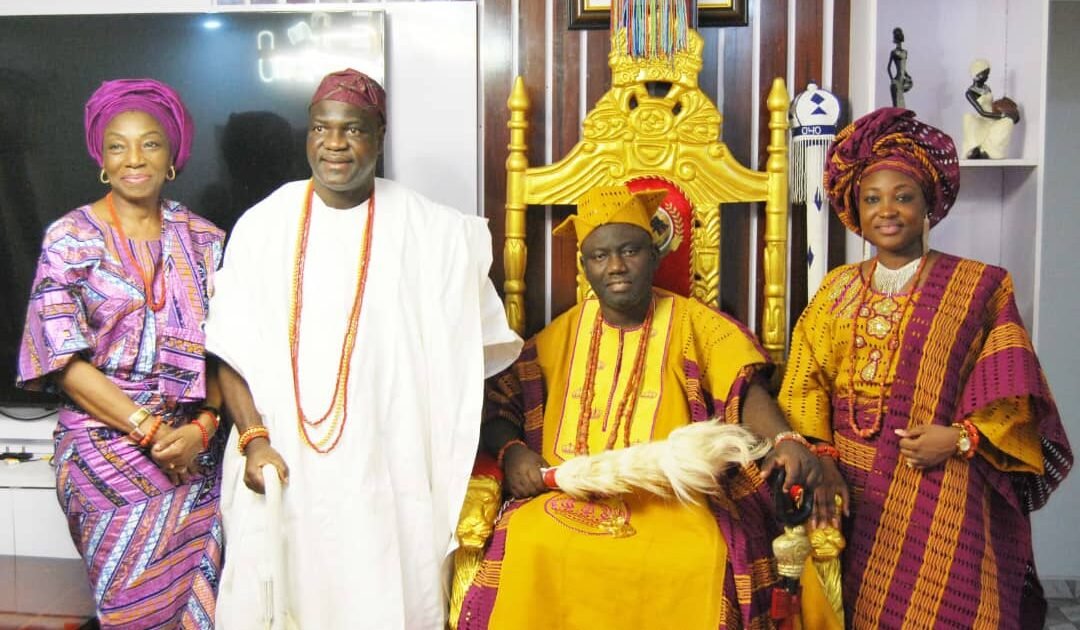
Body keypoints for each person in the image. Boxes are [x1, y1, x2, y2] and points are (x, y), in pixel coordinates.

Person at [205, 68, 522, 629]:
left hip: (388, 472)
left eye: (352, 129)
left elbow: (472, 358)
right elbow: (228, 350)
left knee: (382, 600)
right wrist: (253, 440)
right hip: (282, 463)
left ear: (380, 136)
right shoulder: (262, 226)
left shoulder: (433, 233)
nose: (334, 143)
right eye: (320, 128)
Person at [456, 185, 823, 629]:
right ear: (585, 266)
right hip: (568, 494)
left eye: (629, 251)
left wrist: (785, 438)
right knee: (526, 540)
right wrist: (513, 451)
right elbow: (500, 404)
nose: (615, 266)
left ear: (653, 255)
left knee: (702, 554)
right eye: (599, 256)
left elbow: (743, 391)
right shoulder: (558, 335)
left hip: (675, 497)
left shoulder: (697, 323)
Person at [780, 107, 1072, 629]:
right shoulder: (836, 288)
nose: (887, 211)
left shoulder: (980, 286)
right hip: (848, 489)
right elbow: (806, 382)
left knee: (951, 610)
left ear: (928, 204)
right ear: (855, 209)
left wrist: (959, 438)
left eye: (903, 196)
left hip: (943, 488)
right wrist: (822, 461)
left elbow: (1014, 388)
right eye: (872, 199)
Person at [17, 79, 226, 628]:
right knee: (132, 612)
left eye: (150, 143)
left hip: (195, 455)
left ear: (172, 155)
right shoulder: (69, 239)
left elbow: (227, 353)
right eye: (118, 146)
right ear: (102, 159)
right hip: (105, 458)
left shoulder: (205, 240)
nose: (134, 158)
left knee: (203, 610)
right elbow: (62, 359)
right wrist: (150, 430)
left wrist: (202, 428)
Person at [962, 58, 1020, 159]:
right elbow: (982, 112)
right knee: (968, 118)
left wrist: (1004, 110)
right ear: (976, 74)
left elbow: (991, 105)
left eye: (987, 74)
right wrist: (1002, 115)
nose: (987, 76)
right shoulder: (970, 93)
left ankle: (987, 151)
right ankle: (976, 150)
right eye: (984, 74)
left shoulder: (987, 88)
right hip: (983, 119)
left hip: (993, 117)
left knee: (1008, 122)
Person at [887, 27, 913, 108]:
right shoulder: (894, 52)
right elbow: (888, 68)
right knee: (897, 107)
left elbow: (903, 68)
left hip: (902, 82)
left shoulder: (905, 52)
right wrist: (892, 80)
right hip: (896, 82)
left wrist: (908, 76)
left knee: (902, 107)